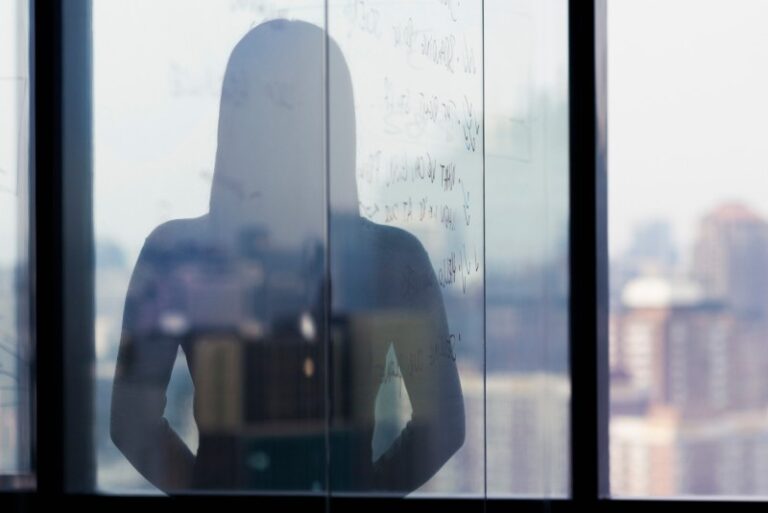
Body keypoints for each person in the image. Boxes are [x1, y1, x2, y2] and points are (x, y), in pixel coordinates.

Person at [110, 19, 464, 495]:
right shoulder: (393, 258)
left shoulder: (175, 254)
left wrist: (208, 496)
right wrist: (361, 497)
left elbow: (130, 421)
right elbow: (442, 427)